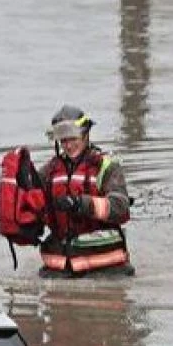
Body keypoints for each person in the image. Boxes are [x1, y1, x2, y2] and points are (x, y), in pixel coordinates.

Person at [36, 104, 134, 278]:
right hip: (59, 269)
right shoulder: (49, 171)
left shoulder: (107, 167)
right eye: (63, 140)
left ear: (85, 134)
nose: (68, 145)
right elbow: (32, 202)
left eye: (73, 138)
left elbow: (121, 208)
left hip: (106, 269)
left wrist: (81, 203)